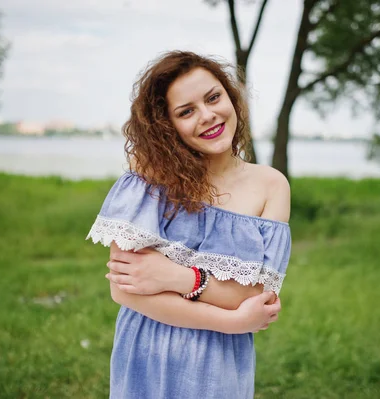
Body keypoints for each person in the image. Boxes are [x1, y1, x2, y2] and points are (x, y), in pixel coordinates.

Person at [86, 50, 291, 398]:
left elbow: (255, 298)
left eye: (214, 98)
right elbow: (123, 289)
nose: (208, 116)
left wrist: (177, 277)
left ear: (231, 97)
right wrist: (232, 320)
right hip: (146, 352)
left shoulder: (271, 185)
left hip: (221, 364)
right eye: (186, 111)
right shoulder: (147, 181)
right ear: (167, 125)